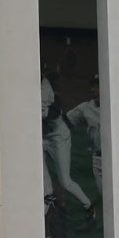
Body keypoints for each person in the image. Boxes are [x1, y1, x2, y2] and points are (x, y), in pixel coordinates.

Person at [41, 55, 93, 214]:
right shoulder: (41, 80)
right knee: (36, 152)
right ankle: (47, 194)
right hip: (46, 134)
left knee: (65, 181)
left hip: (59, 136)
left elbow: (52, 114)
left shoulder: (48, 89)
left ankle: (88, 205)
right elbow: (57, 71)